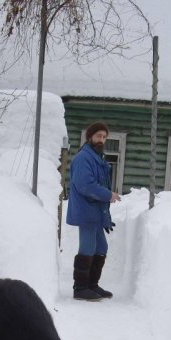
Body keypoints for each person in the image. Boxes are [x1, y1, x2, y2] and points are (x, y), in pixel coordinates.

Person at [66, 122, 121, 301]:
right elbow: (85, 185)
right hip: (86, 209)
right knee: (88, 246)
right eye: (98, 136)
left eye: (104, 137)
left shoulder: (97, 157)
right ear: (89, 137)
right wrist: (108, 195)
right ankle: (80, 288)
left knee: (101, 247)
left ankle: (91, 285)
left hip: (95, 211)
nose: (101, 140)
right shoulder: (84, 158)